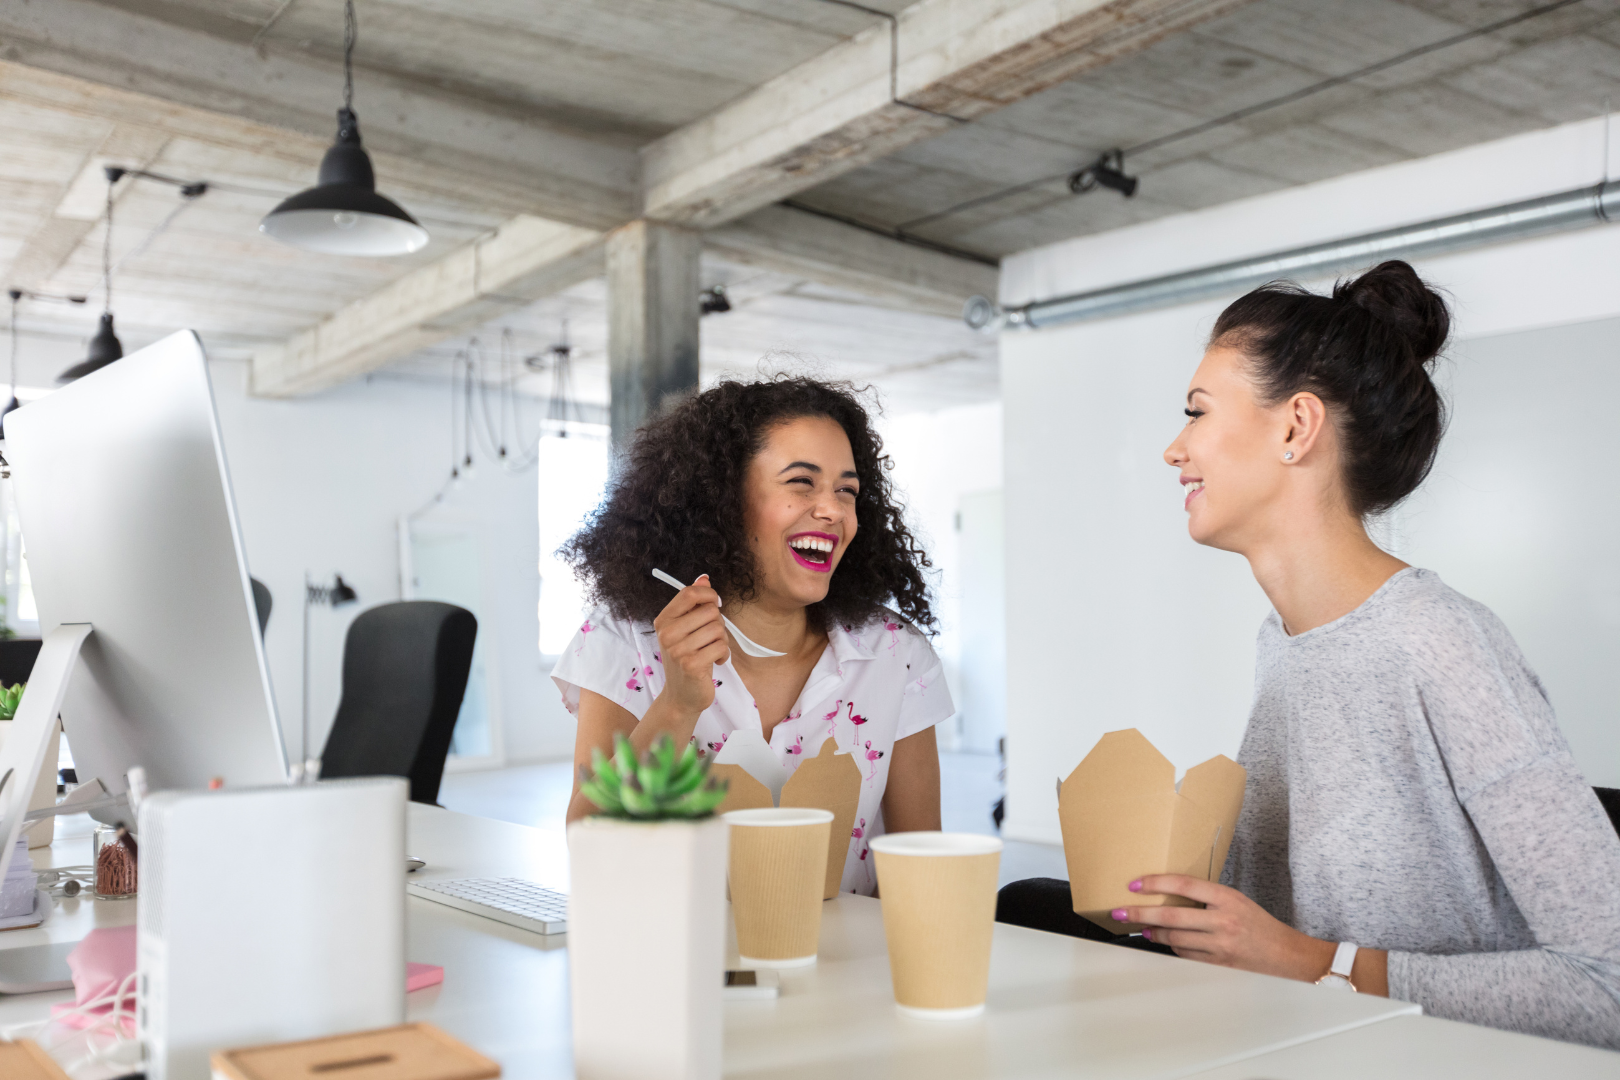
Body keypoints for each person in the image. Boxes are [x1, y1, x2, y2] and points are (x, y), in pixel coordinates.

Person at [1001, 261, 1620, 1049]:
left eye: (1196, 412)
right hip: (1289, 1047)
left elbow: (1609, 982)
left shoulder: (1439, 642)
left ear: (1296, 427)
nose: (1172, 449)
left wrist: (1315, 964)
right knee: (1024, 906)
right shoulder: (1285, 642)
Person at [553, 377, 951, 894]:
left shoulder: (897, 655)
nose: (832, 510)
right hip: (679, 958)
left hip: (841, 966)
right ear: (723, 498)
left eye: (846, 490)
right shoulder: (622, 640)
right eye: (801, 482)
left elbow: (924, 871)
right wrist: (677, 704)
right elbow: (592, 848)